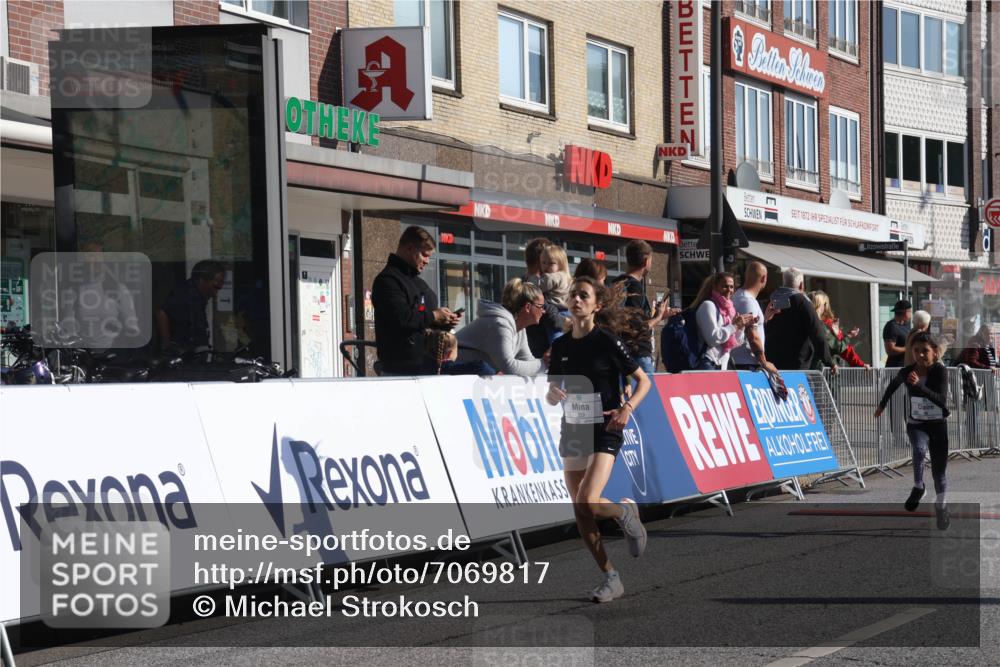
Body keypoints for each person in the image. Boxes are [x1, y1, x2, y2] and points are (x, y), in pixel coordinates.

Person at [545, 276, 652, 603]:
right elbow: (552, 393)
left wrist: (628, 408)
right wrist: (552, 394)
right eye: (573, 294)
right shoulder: (561, 346)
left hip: (605, 426)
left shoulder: (606, 341)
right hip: (574, 427)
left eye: (583, 295)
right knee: (580, 509)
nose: (576, 299)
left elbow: (643, 381)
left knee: (590, 500)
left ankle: (624, 513)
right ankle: (610, 577)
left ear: (596, 305)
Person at [874, 331, 951, 529]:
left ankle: (941, 506)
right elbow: (893, 385)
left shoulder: (940, 371)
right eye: (916, 351)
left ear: (935, 352)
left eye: (925, 351)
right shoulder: (908, 370)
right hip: (917, 424)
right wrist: (882, 405)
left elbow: (941, 400)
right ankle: (918, 486)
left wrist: (918, 385)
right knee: (918, 449)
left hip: (937, 426)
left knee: (939, 475)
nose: (920, 355)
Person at [371, 226, 460, 375]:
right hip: (400, 370)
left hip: (425, 365)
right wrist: (434, 316)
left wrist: (444, 322)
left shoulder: (419, 284)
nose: (427, 261)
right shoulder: (388, 281)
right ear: (410, 248)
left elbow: (424, 324)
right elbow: (402, 319)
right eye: (424, 255)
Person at [58, 242, 141, 351]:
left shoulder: (118, 289)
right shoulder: (73, 291)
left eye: (99, 255)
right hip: (85, 357)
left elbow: (132, 328)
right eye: (91, 255)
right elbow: (68, 329)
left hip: (114, 357)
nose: (96, 260)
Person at [456, 278, 547, 376]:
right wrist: (544, 364)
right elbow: (509, 367)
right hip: (449, 375)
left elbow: (528, 361)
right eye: (541, 306)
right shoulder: (499, 325)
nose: (544, 311)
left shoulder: (519, 328)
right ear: (528, 307)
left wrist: (549, 362)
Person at [609, 240, 670, 375]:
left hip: (619, 351)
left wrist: (657, 316)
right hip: (638, 353)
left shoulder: (616, 283)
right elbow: (638, 327)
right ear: (646, 261)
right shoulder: (635, 287)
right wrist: (658, 317)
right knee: (649, 393)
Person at [764, 268, 838, 372]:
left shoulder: (772, 300)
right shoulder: (802, 302)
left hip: (772, 363)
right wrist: (829, 361)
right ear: (801, 285)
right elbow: (817, 333)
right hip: (797, 364)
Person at [156, 259, 225, 351]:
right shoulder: (183, 295)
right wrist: (167, 347)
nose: (215, 294)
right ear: (201, 281)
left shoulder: (198, 297)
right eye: (215, 287)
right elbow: (161, 312)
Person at [690, 272, 755, 371]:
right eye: (725, 286)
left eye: (732, 287)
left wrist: (741, 327)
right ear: (715, 287)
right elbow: (712, 339)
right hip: (708, 363)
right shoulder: (708, 305)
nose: (729, 290)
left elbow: (737, 342)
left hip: (722, 365)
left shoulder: (729, 308)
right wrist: (734, 326)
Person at [731, 261, 779, 373]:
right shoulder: (748, 301)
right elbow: (752, 335)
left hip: (743, 362)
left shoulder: (740, 296)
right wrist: (764, 362)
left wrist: (764, 318)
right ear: (764, 278)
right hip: (746, 364)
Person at [523, 237, 563, 359]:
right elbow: (550, 313)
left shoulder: (527, 283)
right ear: (540, 260)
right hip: (541, 354)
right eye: (548, 260)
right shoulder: (532, 286)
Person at [808, 290, 868, 369]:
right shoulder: (823, 326)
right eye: (824, 304)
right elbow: (839, 347)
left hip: (795, 371)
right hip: (820, 372)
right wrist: (847, 336)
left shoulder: (799, 323)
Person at [527, 244, 572, 343]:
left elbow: (536, 288)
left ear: (561, 264)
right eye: (543, 263)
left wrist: (532, 279)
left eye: (551, 263)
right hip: (567, 311)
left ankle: (557, 352)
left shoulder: (552, 277)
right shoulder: (566, 277)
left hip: (557, 311)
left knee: (556, 337)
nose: (546, 267)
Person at [422, 329, 496, 376]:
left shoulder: (421, 367)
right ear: (450, 353)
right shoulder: (450, 369)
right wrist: (495, 373)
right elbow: (481, 367)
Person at [882, 300, 912, 367]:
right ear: (905, 312)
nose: (911, 314)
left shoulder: (907, 324)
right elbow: (890, 350)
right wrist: (908, 348)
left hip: (907, 366)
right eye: (910, 311)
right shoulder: (891, 326)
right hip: (895, 368)